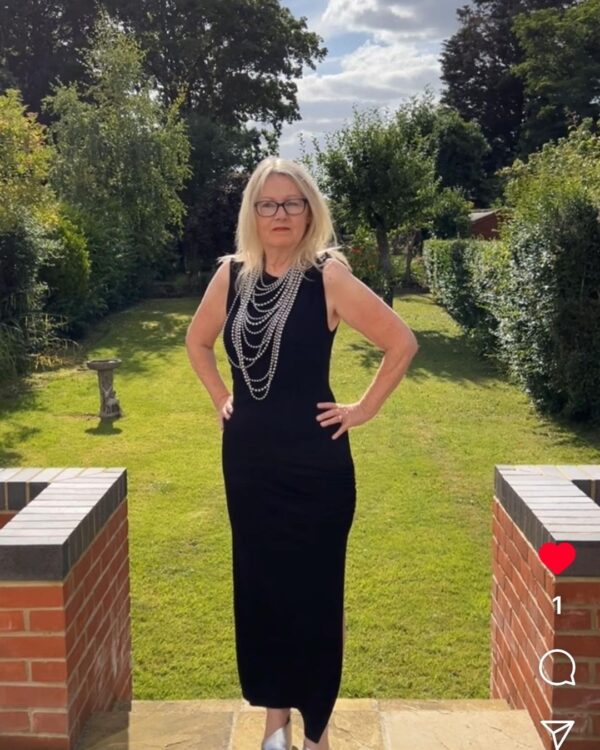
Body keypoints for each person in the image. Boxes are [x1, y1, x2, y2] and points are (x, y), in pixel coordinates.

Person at [185, 157, 419, 750]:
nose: (280, 214)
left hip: (316, 469)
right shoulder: (230, 276)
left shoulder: (328, 277)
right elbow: (198, 341)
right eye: (268, 204)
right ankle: (274, 720)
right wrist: (220, 398)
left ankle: (315, 729)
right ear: (253, 214)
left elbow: (401, 341)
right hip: (250, 464)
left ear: (309, 210)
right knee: (262, 590)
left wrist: (362, 408)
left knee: (314, 597)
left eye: (292, 203)